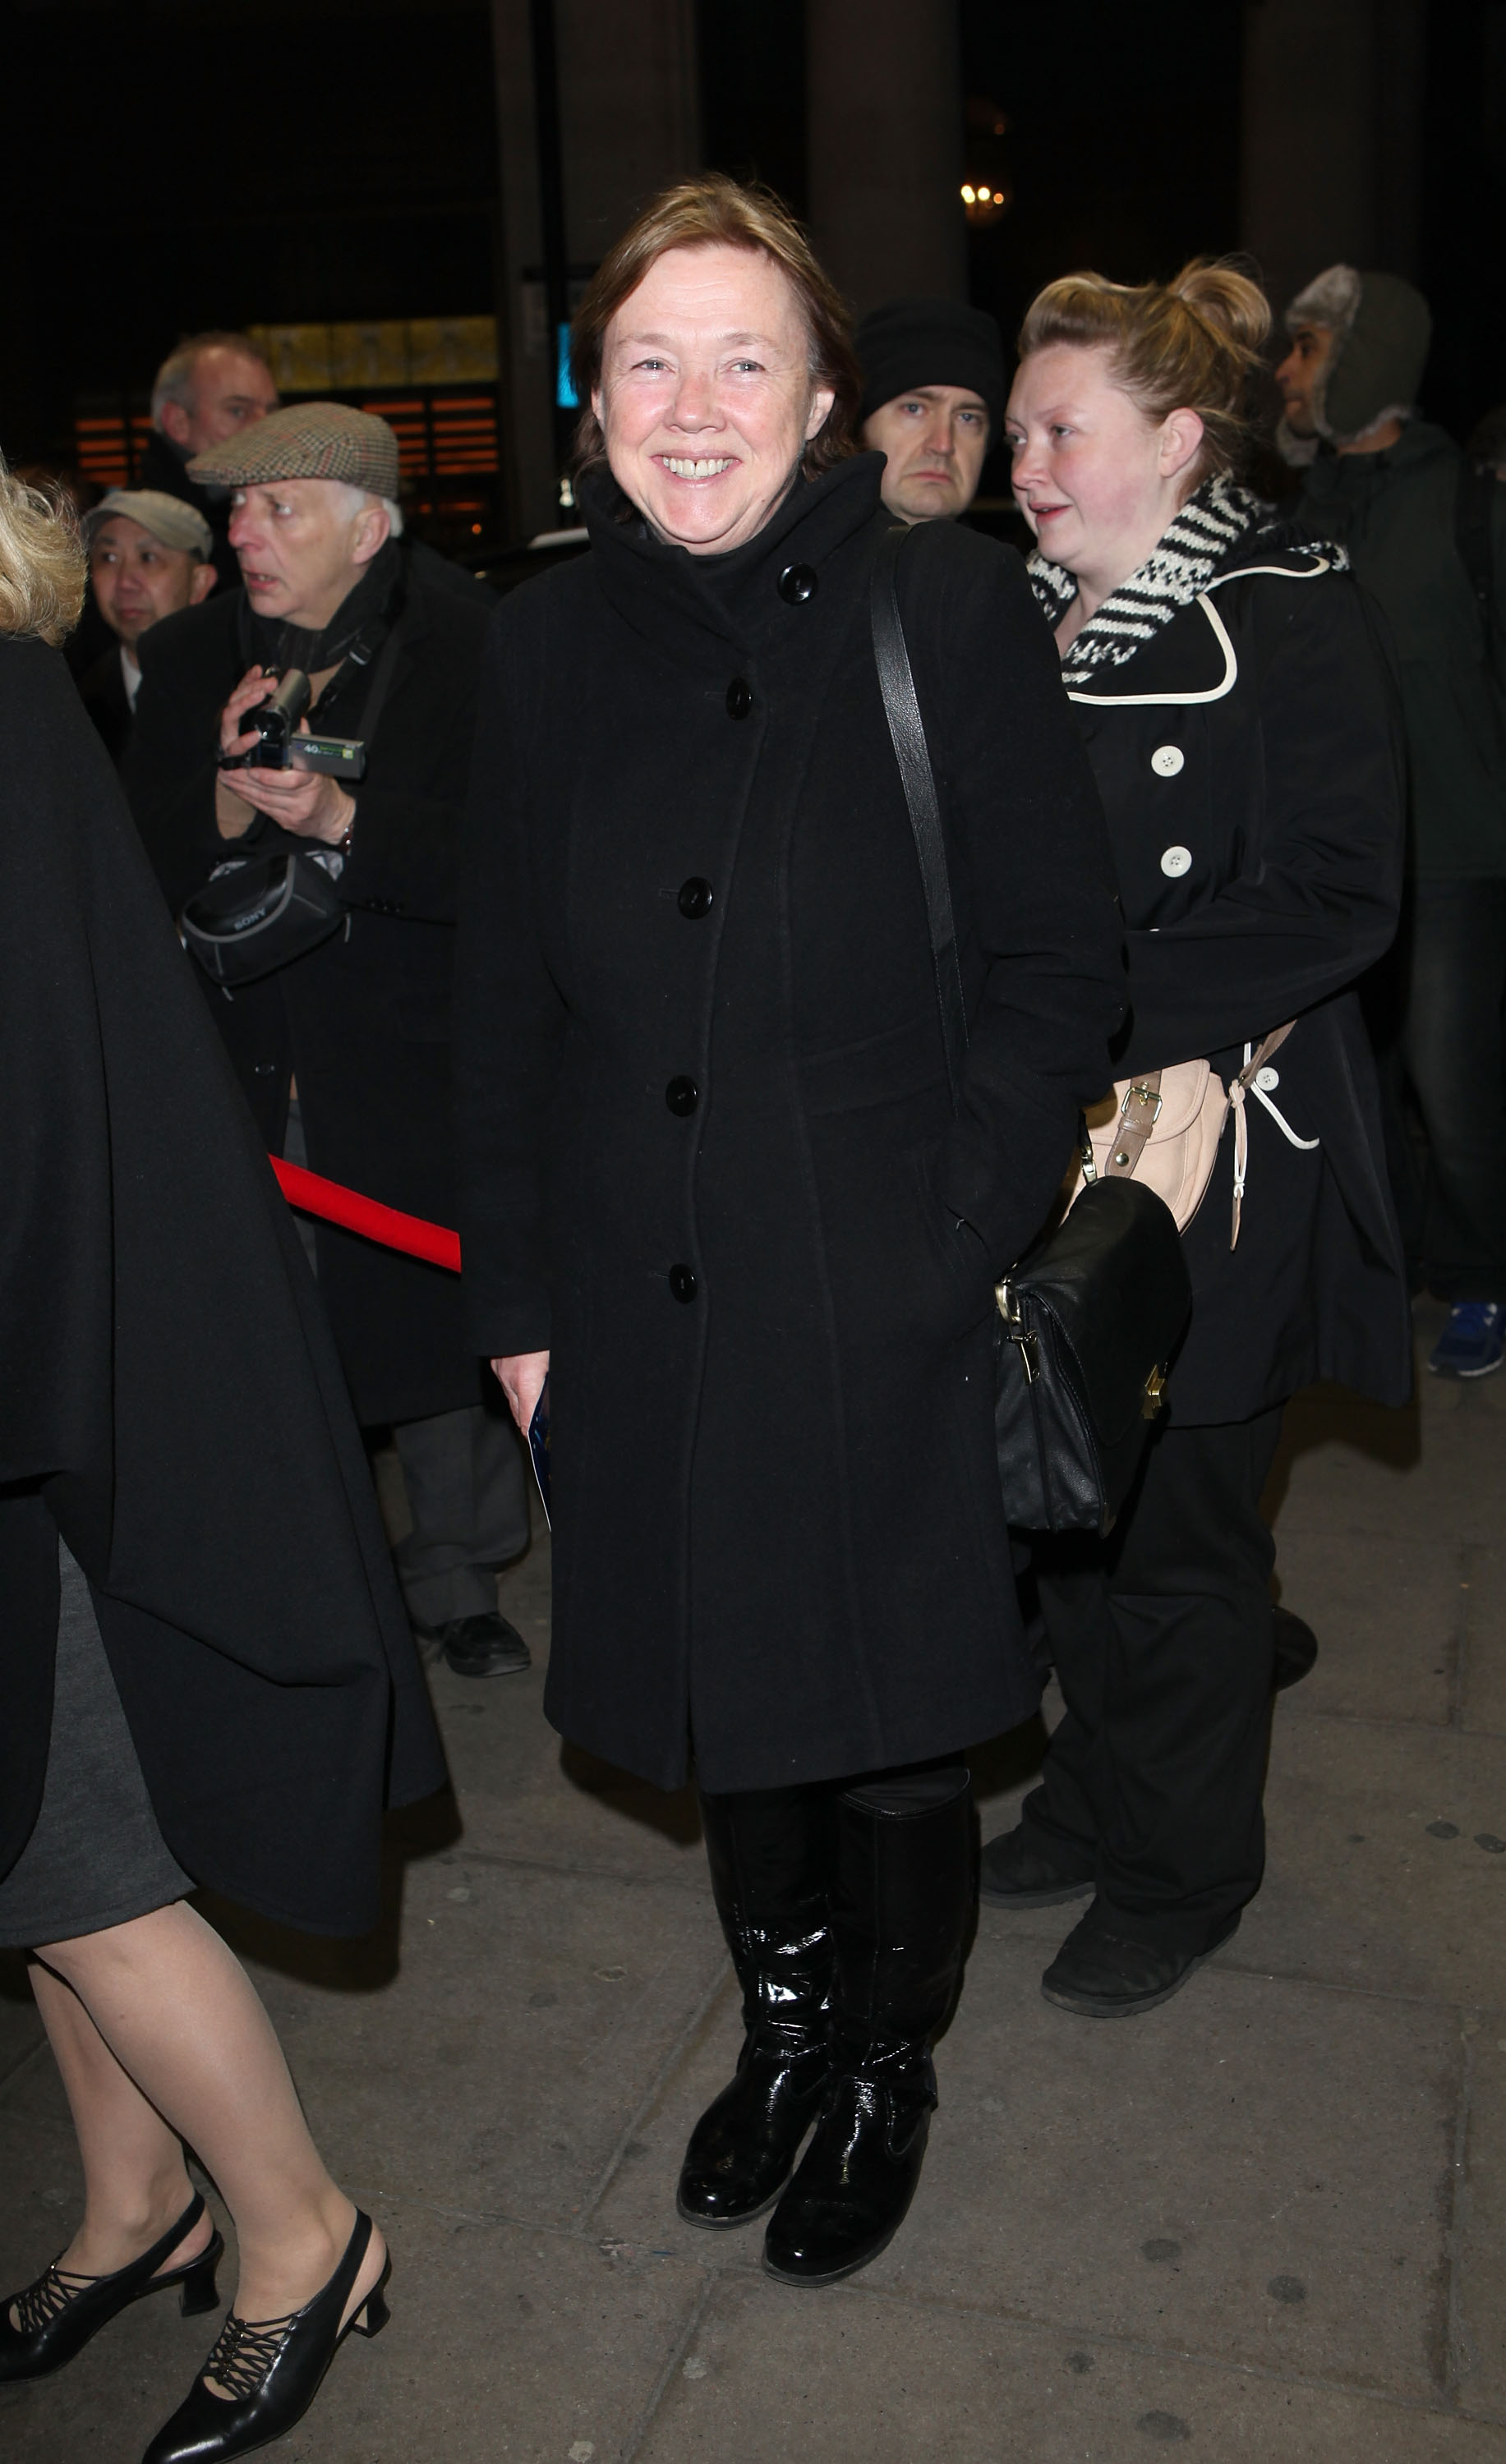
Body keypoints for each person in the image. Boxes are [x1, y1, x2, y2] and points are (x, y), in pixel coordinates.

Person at [454, 175, 1125, 2287]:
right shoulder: (540, 636)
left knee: (891, 1716)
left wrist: (951, 1226)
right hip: (635, 1302)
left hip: (873, 1279)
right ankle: (782, 2029)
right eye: (645, 358)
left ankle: (882, 2066)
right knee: (729, 1701)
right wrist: (516, 1301)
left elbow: (1054, 968)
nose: (691, 402)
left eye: (743, 356)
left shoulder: (939, 613)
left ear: (821, 394)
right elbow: (493, 1003)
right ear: (589, 400)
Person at [0, 453, 446, 2458]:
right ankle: (134, 2195)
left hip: (49, 1371)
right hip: (59, 1354)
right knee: (40, 1844)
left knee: (79, 1849)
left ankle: (299, 2228)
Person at [981, 263, 1411, 2018]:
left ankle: (1184, 1868)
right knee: (1059, 1500)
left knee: (1182, 1535)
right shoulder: (1014, 615)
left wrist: (1077, 998)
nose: (1021, 461)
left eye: (1055, 430)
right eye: (1016, 430)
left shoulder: (1290, 607)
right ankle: (1095, 1797)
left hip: (1210, 1151)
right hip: (1036, 1135)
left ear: (1174, 439)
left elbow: (1339, 897)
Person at [122, 402, 531, 1682]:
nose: (244, 533)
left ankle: (459, 1580)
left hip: (407, 1052)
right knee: (274, 1334)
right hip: (246, 1053)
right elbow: (135, 853)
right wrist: (236, 806)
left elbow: (511, 866)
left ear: (370, 527)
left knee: (428, 1333)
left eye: (275, 508)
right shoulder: (192, 659)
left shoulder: (472, 645)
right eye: (237, 510)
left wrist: (346, 812)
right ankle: (319, 1580)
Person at [1277, 267, 1506, 1380]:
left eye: (1309, 347)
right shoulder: (1299, 506)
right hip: (1336, 853)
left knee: (1453, 1086)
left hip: (1457, 849)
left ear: (1367, 359)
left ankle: (1483, 1276)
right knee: (1354, 1083)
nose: (1286, 371)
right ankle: (1396, 1263)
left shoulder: (1466, 497)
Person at [77, 489, 216, 766]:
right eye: (108, 558)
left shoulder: (236, 692)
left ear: (199, 583)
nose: (125, 582)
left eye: (148, 558)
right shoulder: (75, 706)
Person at [138, 331, 280, 594]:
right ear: (178, 422)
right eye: (238, 410)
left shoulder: (270, 513)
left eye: (271, 413)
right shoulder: (138, 532)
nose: (266, 429)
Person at [855, 296, 1004, 524]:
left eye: (967, 418)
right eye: (914, 409)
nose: (943, 445)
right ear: (858, 429)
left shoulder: (1009, 560)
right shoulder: (792, 556)